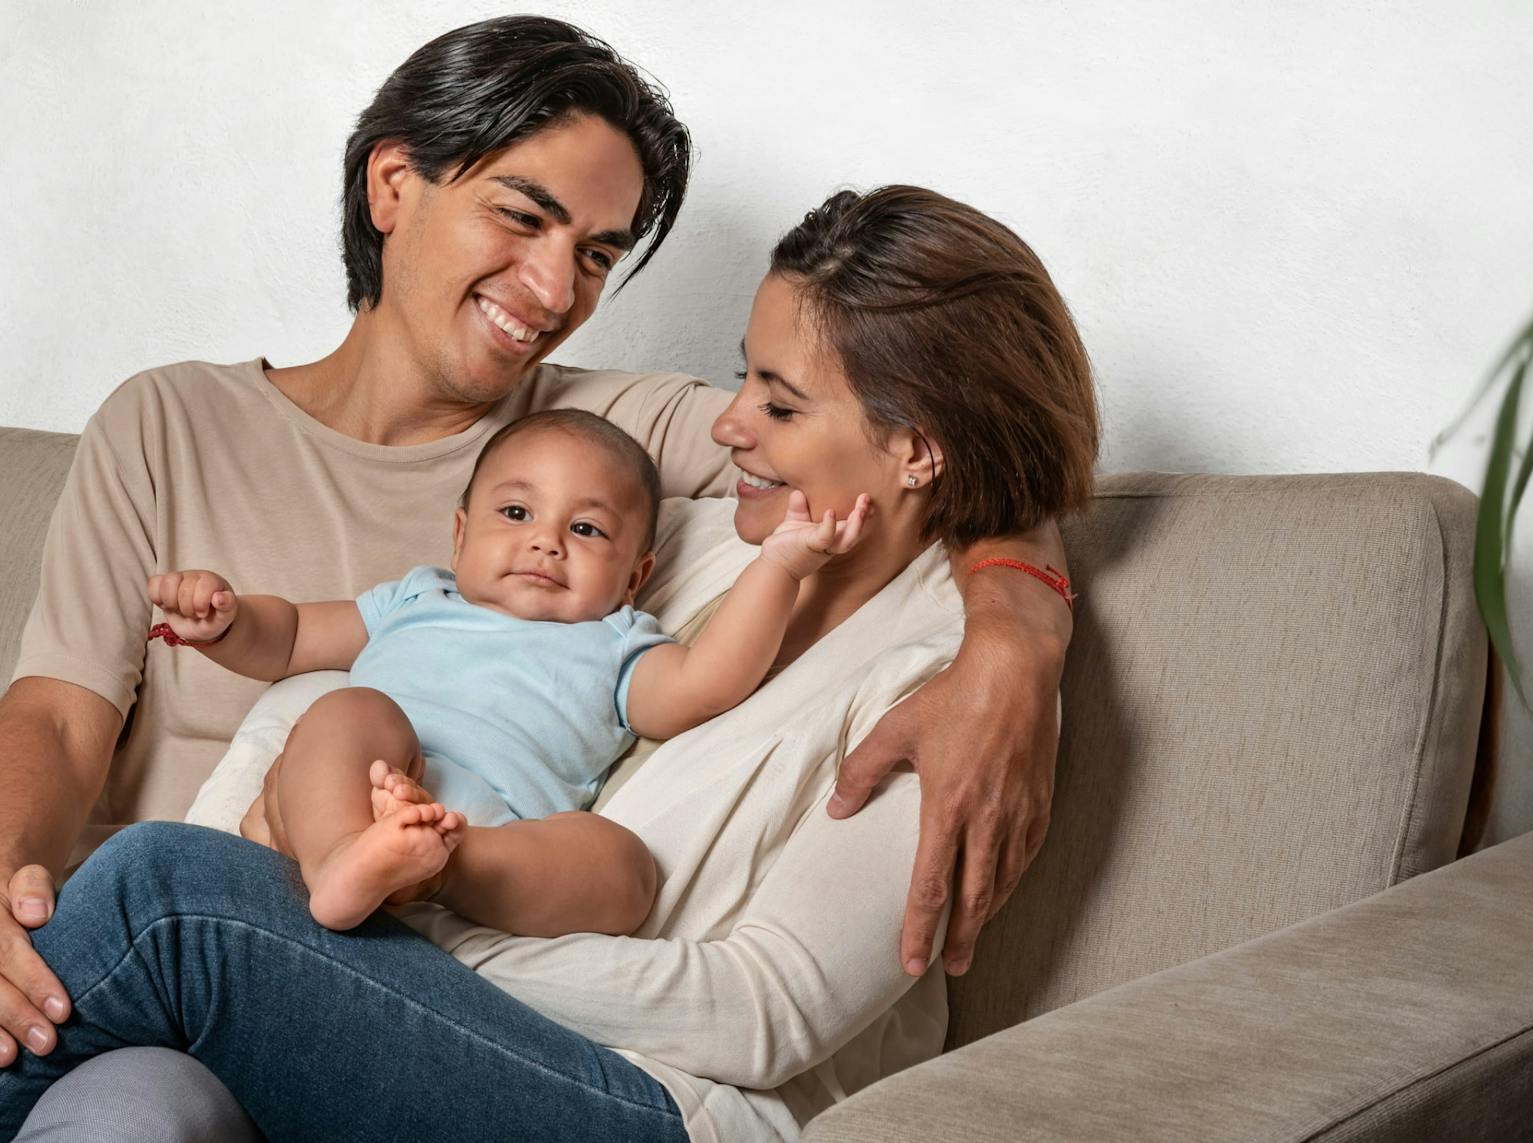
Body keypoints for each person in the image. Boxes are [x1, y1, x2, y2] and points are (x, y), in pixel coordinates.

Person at [0, 16, 1070, 1137]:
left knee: (168, 896)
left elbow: (967, 446)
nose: (558, 287)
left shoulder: (620, 453)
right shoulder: (170, 421)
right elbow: (77, 718)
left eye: (600, 253)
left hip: (424, 995)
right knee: (136, 1108)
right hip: (211, 999)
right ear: (393, 186)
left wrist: (1014, 638)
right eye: (524, 215)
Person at [146, 409, 872, 934]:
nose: (545, 542)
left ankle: (425, 866)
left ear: (634, 575)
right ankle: (344, 859)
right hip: (362, 791)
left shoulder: (618, 643)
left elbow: (710, 678)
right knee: (348, 709)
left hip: (487, 848)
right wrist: (229, 619)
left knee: (628, 868)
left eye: (586, 529)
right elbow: (294, 634)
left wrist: (781, 565)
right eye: (517, 511)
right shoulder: (418, 596)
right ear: (461, 535)